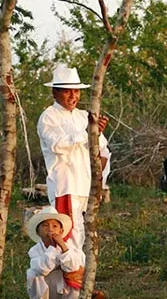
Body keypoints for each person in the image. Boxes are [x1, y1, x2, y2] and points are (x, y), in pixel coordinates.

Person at [37, 64, 110, 252]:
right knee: (69, 234)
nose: (73, 96)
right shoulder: (49, 116)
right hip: (66, 185)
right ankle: (70, 278)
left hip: (86, 185)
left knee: (84, 234)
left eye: (76, 91)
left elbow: (102, 149)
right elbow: (57, 145)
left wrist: (99, 181)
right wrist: (86, 132)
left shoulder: (83, 116)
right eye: (67, 91)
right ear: (55, 92)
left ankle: (79, 275)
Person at [26, 206, 85, 299]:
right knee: (32, 273)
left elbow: (72, 267)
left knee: (74, 273)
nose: (50, 229)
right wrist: (52, 247)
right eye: (45, 225)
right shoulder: (34, 250)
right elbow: (42, 269)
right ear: (38, 232)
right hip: (47, 288)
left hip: (65, 289)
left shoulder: (68, 246)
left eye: (55, 226)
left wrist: (62, 246)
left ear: (61, 231)